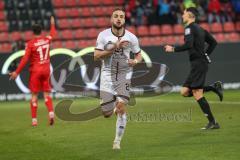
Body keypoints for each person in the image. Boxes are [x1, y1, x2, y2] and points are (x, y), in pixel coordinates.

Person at [164, 7, 223, 130]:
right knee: (184, 92)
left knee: (197, 93)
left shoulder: (189, 28)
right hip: (198, 63)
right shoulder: (200, 29)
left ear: (190, 15)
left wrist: (173, 48)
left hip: (198, 64)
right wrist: (206, 54)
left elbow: (188, 45)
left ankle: (213, 122)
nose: (182, 15)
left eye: (184, 13)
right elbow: (214, 43)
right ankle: (213, 87)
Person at [94, 8, 142, 149]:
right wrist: (114, 47)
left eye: (121, 16)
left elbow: (138, 54)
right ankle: (112, 108)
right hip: (107, 75)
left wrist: (136, 61)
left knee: (121, 107)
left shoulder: (132, 37)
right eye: (116, 16)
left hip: (124, 75)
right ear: (111, 19)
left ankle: (117, 142)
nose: (119, 19)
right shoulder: (103, 35)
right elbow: (96, 56)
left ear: (124, 20)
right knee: (107, 113)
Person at [9, 16, 56, 127]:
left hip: (36, 71)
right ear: (41, 31)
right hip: (46, 70)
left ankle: (34, 120)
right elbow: (53, 33)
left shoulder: (30, 44)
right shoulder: (47, 40)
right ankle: (51, 113)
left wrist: (16, 72)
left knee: (34, 95)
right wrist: (52, 24)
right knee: (46, 94)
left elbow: (25, 59)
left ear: (32, 32)